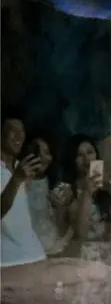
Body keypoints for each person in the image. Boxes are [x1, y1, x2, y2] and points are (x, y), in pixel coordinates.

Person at [60, 134, 111, 304]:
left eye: (90, 152)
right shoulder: (67, 191)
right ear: (73, 161)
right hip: (87, 267)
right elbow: (80, 232)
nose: (86, 158)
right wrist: (87, 193)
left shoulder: (109, 189)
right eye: (80, 155)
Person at [1, 112, 46, 267]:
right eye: (13, 130)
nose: (19, 136)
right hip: (9, 260)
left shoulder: (19, 167)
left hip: (35, 254)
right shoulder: (18, 173)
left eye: (22, 131)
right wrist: (17, 179)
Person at [21, 132, 72, 255]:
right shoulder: (16, 181)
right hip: (24, 250)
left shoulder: (58, 185)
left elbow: (61, 228)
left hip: (51, 247)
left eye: (47, 152)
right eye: (38, 152)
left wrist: (60, 208)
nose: (43, 157)